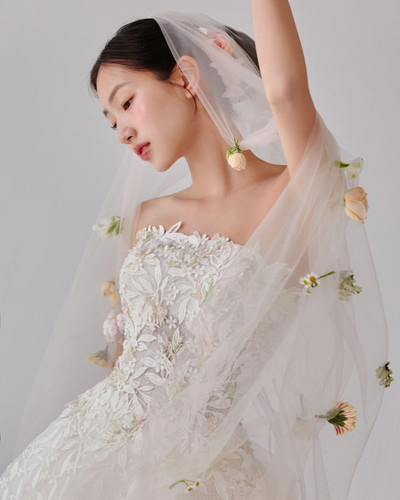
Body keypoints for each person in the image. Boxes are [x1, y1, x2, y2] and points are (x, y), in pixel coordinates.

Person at [0, 2, 389, 499]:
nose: (122, 131)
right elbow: (129, 368)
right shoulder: (148, 219)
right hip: (88, 456)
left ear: (185, 77)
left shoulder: (293, 199)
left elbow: (287, 93)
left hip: (205, 476)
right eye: (110, 121)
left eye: (126, 102)